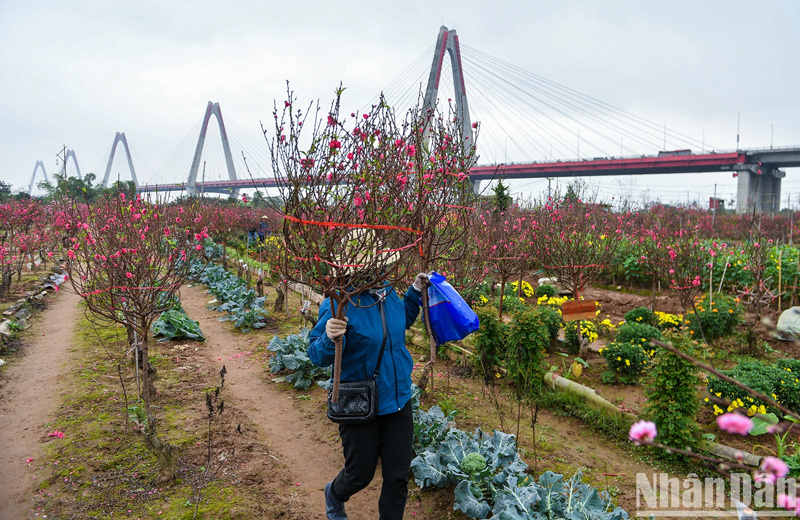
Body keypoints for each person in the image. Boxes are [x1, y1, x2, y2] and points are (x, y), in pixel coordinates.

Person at [308, 272, 430, 520]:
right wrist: (329, 337)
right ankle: (335, 494)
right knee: (359, 475)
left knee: (397, 478)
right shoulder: (341, 301)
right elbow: (316, 355)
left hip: (398, 401)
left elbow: (401, 320)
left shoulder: (388, 291)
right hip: (360, 403)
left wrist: (415, 291)